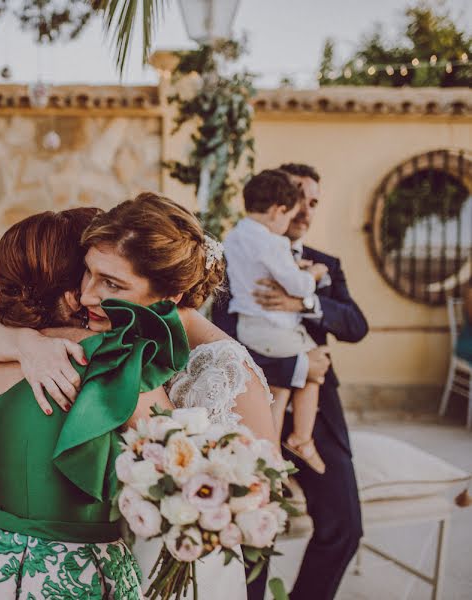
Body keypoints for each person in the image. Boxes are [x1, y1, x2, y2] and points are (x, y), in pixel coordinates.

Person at [0, 193, 279, 599]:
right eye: (88, 273)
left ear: (171, 296)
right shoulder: (112, 327)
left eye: (112, 283)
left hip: (188, 563)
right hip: (114, 552)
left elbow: (260, 495)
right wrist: (25, 342)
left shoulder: (227, 369)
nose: (88, 295)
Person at [0, 208, 187, 599]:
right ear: (74, 283)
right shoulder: (113, 360)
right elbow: (182, 464)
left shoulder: (8, 352)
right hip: (68, 570)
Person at [213, 163, 368, 600]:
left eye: (314, 202)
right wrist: (298, 368)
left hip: (316, 417)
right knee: (252, 530)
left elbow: (356, 326)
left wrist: (306, 300)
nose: (305, 208)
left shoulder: (326, 265)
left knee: (345, 526)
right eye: (299, 196)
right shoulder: (235, 258)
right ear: (280, 201)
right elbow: (224, 342)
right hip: (254, 403)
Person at [224, 169, 329, 474]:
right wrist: (313, 274)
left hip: (249, 327)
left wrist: (293, 268)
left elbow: (258, 271)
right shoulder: (273, 242)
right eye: (290, 215)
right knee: (317, 367)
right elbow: (296, 286)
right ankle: (301, 438)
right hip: (275, 328)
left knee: (280, 392)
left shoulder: (235, 237)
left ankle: (267, 456)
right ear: (278, 211)